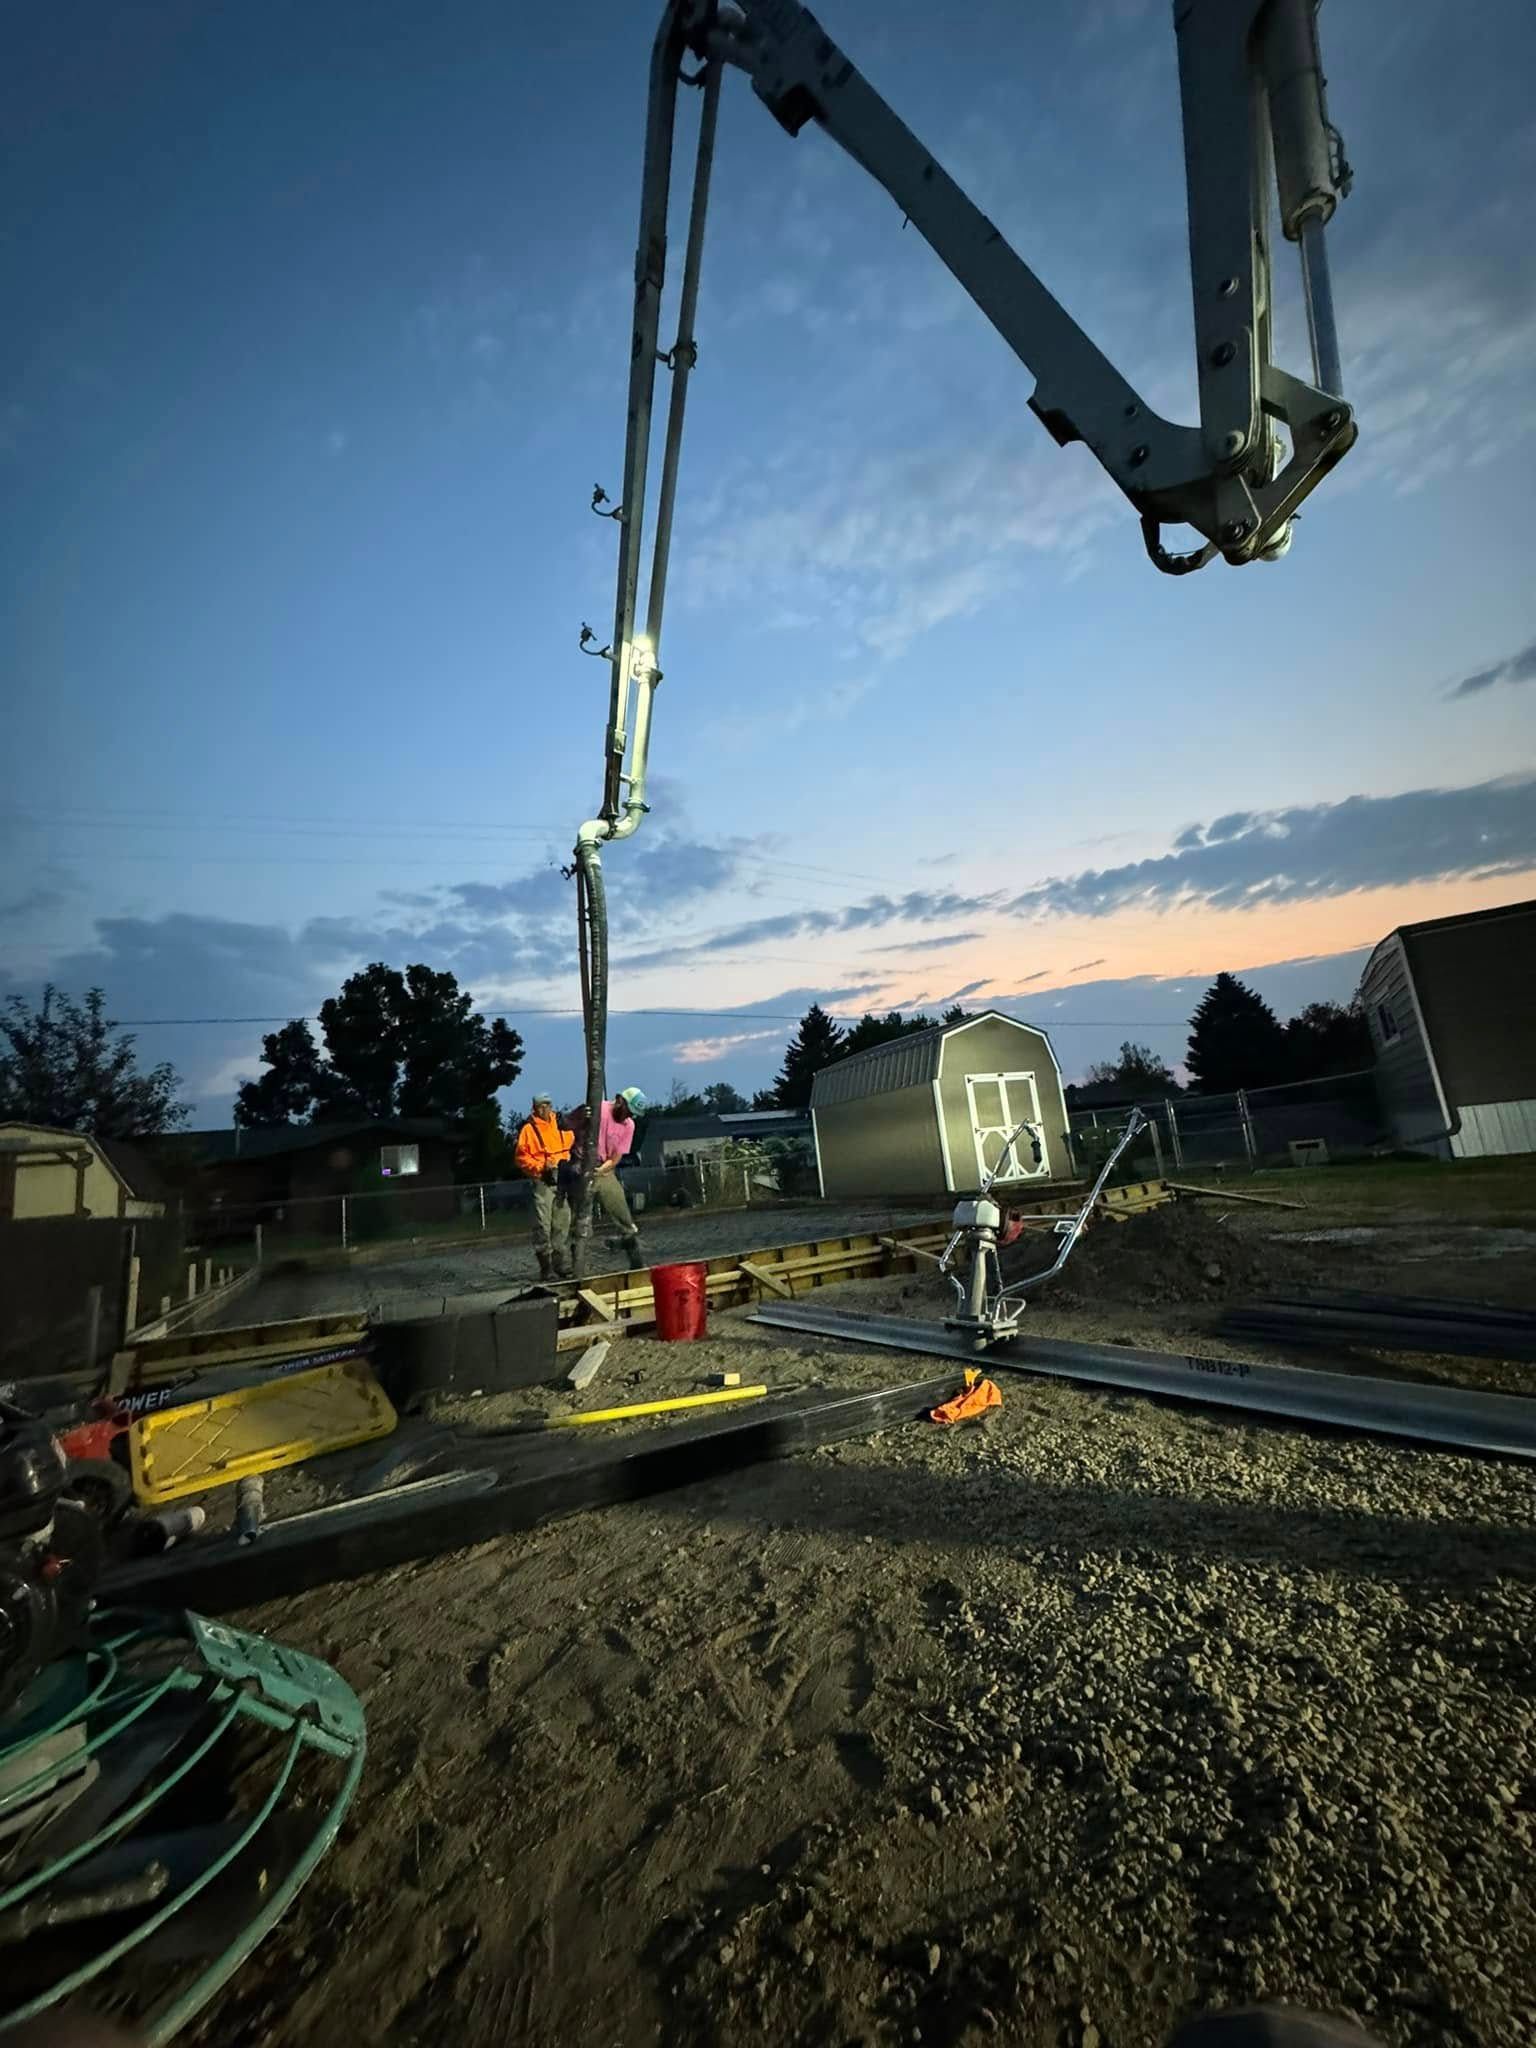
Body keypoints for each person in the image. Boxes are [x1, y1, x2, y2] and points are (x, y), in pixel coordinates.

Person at [568, 1086, 648, 1264]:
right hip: (580, 1166)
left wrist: (603, 1169)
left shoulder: (629, 1125)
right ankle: (579, 1259)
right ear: (619, 1100)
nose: (629, 1116)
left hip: (604, 1169)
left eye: (633, 1114)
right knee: (579, 1218)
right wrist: (581, 1115)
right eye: (629, 1111)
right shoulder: (597, 1109)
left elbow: (616, 1156)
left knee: (620, 1207)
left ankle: (634, 1255)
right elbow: (567, 1124)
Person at [514, 1091, 574, 1279]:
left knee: (562, 1223)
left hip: (562, 1179)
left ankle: (560, 1264)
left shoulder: (562, 1124)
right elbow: (521, 1158)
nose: (545, 1108)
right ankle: (546, 1267)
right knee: (543, 1225)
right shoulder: (529, 1130)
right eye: (541, 1105)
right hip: (542, 1180)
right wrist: (541, 1167)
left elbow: (572, 1144)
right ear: (534, 1108)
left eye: (547, 1104)